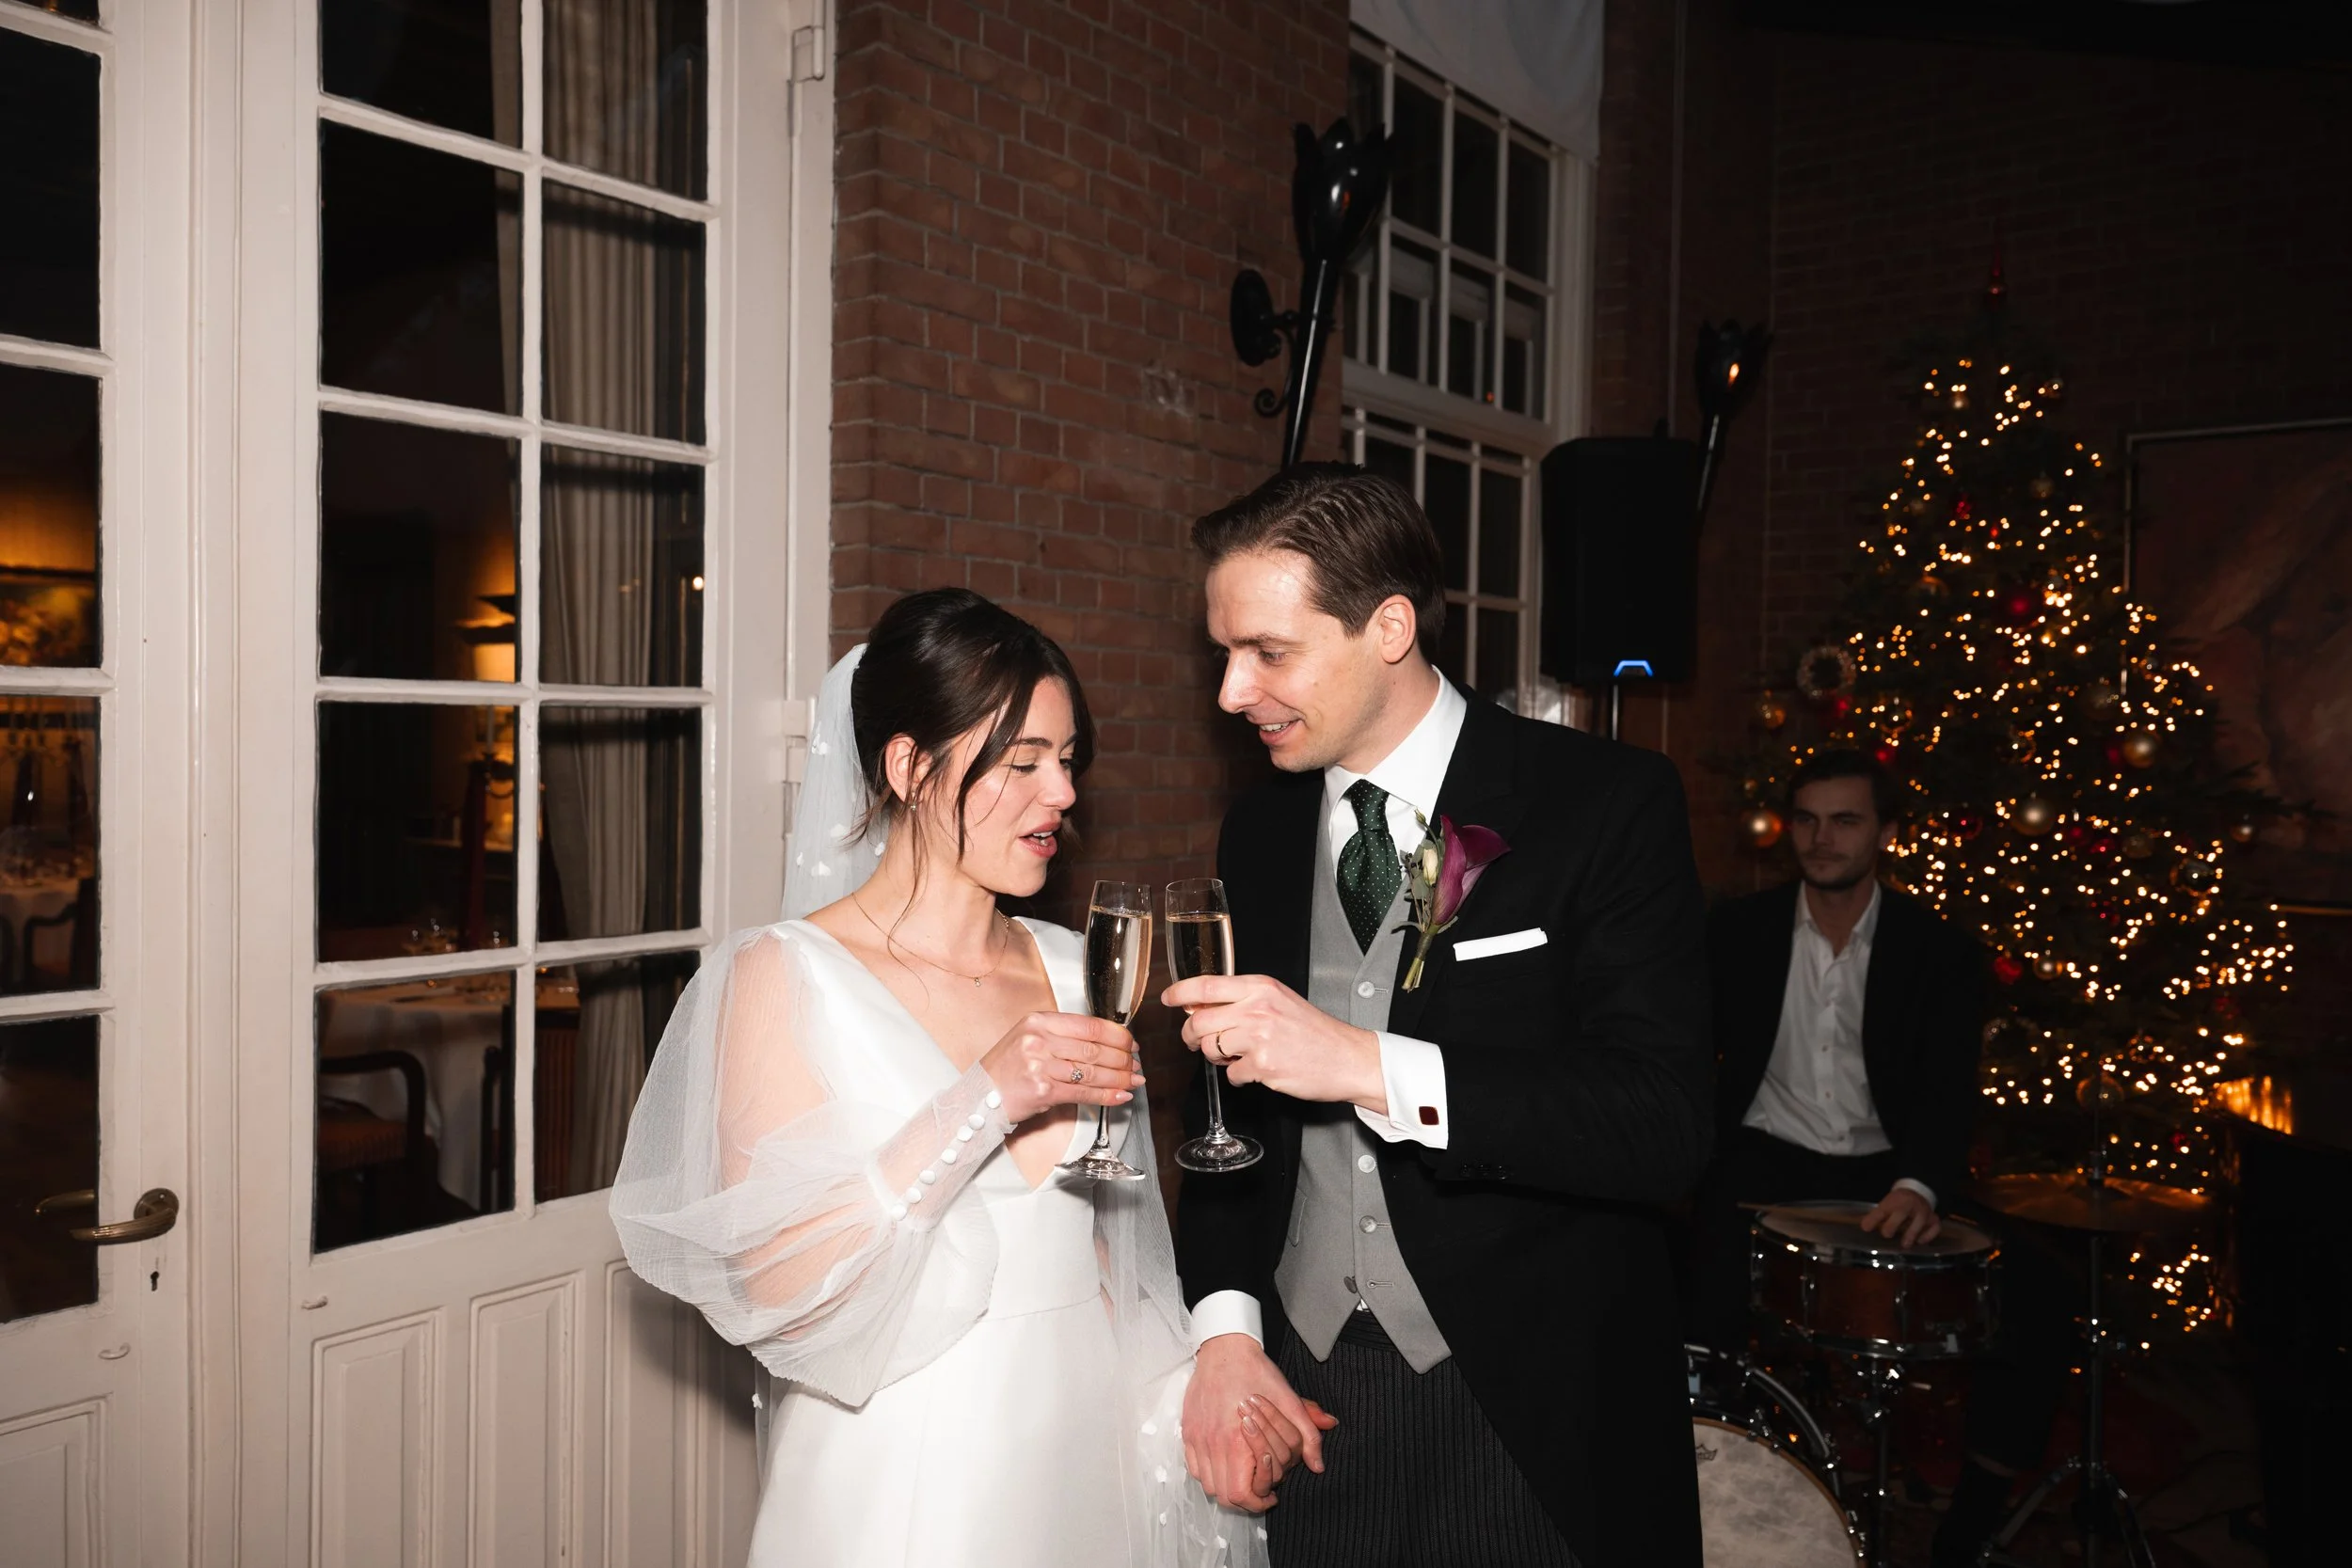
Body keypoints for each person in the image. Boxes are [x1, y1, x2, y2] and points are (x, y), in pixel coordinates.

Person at [611, 588, 1305, 1568]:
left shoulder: (1079, 966)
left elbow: (1115, 1263)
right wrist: (985, 1097)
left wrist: (1197, 1392)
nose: (1060, 794)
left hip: (1085, 1462)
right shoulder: (781, 976)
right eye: (1021, 762)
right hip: (899, 1479)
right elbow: (780, 1291)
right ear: (907, 764)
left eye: (1066, 762)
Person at [1164, 465, 1713, 1567]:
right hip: (1308, 1390)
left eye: (1268, 652)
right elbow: (1223, 1117)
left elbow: (1664, 1124)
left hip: (1528, 1402)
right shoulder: (1258, 835)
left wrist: (1368, 1063)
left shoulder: (1604, 802)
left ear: (1390, 626)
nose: (1231, 691)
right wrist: (1224, 1330)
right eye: (1224, 651)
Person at [1686, 749, 1986, 1355]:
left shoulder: (1939, 951)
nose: (1821, 840)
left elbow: (1947, 1087)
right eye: (1806, 820)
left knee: (2004, 1305)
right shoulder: (1737, 932)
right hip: (1759, 1163)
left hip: (1883, 1173)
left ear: (1887, 832)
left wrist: (1919, 1187)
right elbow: (1685, 1051)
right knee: (1696, 1311)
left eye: (1845, 821)